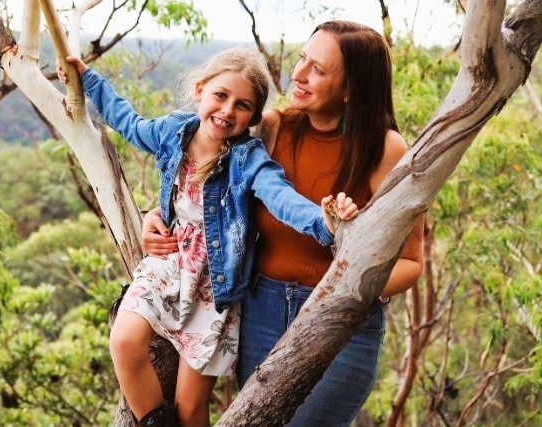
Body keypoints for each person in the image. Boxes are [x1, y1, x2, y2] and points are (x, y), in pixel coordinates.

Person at [141, 21, 425, 426]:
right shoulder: (274, 127)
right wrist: (153, 217)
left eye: (318, 70)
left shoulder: (385, 148)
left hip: (339, 322)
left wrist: (340, 292)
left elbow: (411, 263)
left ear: (351, 89)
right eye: (301, 59)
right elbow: (204, 185)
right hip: (261, 311)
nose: (298, 74)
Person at [61, 48, 359, 427]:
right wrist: (88, 79)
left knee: (189, 409)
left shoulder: (247, 160)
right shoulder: (172, 132)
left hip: (214, 286)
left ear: (253, 117)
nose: (227, 110)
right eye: (221, 96)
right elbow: (128, 122)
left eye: (242, 105)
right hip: (167, 265)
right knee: (123, 341)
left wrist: (324, 220)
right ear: (200, 90)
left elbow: (281, 198)